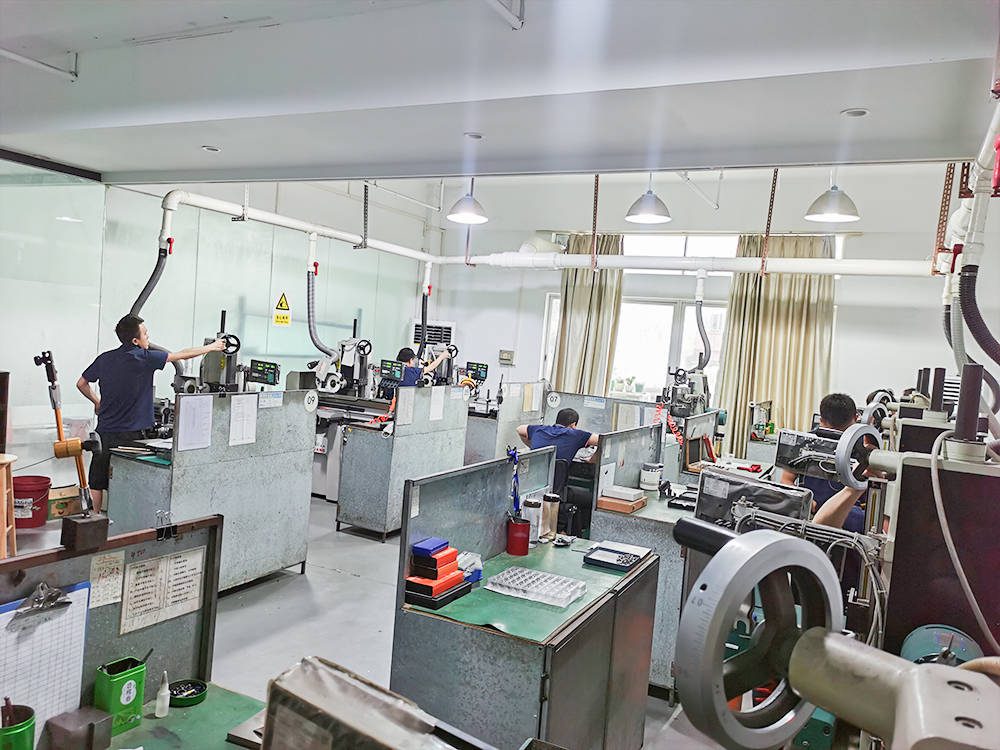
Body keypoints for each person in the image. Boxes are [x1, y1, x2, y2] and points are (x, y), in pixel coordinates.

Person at [76, 314, 225, 512]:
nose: (148, 337)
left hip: (103, 434)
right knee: (129, 483)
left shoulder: (105, 358)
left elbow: (82, 383)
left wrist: (97, 402)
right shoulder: (144, 358)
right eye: (145, 334)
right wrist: (212, 347)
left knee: (96, 482)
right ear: (135, 341)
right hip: (132, 438)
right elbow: (182, 355)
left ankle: (92, 524)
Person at [778, 392, 868, 533]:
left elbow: (786, 480)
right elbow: (786, 481)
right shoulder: (804, 443)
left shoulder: (863, 449)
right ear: (856, 418)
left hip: (846, 515)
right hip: (810, 513)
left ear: (821, 419)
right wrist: (805, 501)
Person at [516, 408, 600, 462]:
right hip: (557, 480)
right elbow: (602, 440)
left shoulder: (539, 429)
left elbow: (519, 429)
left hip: (534, 476)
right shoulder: (576, 434)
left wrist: (533, 446)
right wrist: (591, 460)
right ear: (573, 424)